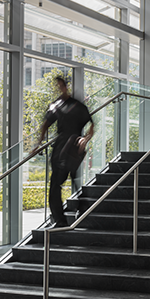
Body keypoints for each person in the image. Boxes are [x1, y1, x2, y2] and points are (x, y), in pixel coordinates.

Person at [33, 76, 95, 228]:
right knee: (55, 185)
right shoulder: (56, 105)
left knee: (76, 181)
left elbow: (92, 125)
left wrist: (85, 140)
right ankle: (59, 220)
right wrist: (39, 143)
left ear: (66, 87)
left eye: (61, 86)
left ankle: (82, 212)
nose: (59, 88)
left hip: (74, 148)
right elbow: (45, 125)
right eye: (57, 86)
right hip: (60, 148)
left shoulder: (78, 106)